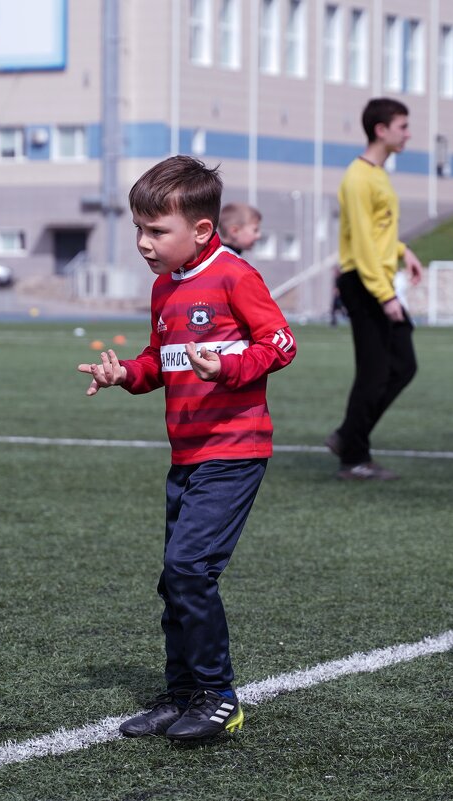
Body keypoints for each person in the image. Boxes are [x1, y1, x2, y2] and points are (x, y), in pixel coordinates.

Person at [77, 155, 296, 742]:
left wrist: (228, 366)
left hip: (234, 450)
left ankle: (219, 697)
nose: (144, 243)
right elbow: (159, 363)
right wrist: (126, 372)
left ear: (202, 230)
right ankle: (181, 696)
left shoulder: (235, 276)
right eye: (139, 229)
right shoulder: (164, 290)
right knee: (174, 580)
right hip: (187, 456)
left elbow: (280, 343)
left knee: (189, 570)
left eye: (156, 231)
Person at [325, 97, 423, 481]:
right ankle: (353, 456)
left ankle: (349, 436)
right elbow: (363, 242)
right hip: (364, 283)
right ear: (381, 130)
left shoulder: (379, 174)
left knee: (403, 365)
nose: (408, 133)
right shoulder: (358, 177)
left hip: (374, 280)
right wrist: (385, 294)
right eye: (403, 126)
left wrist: (403, 250)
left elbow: (378, 233)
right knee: (375, 371)